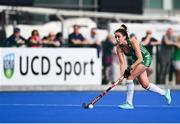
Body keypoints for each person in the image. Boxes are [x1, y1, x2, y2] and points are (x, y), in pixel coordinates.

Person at [114, 24, 171, 109]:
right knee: (145, 85)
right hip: (137, 61)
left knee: (130, 77)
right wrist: (122, 76)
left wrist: (130, 68)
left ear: (125, 36)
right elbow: (122, 63)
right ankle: (165, 93)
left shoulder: (133, 41)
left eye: (119, 36)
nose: (117, 39)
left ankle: (129, 103)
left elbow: (140, 58)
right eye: (115, 37)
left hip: (145, 58)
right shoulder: (119, 48)